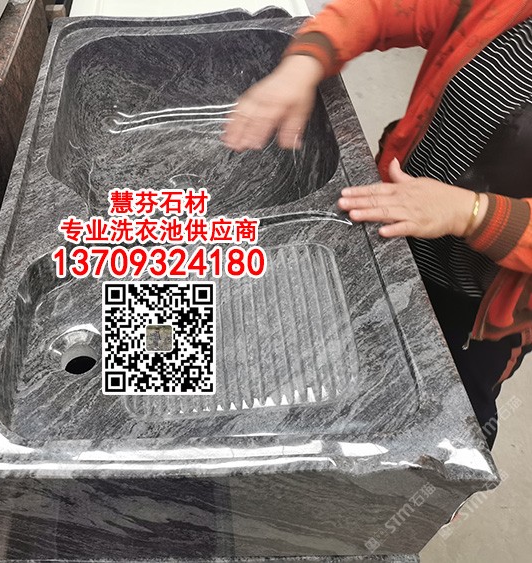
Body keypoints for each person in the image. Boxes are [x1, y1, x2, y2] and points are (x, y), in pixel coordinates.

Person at [223, 0, 532, 449]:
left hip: (480, 305)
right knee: (345, 353)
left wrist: (470, 213)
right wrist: (306, 60)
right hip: (393, 228)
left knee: (451, 413)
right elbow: (384, 9)